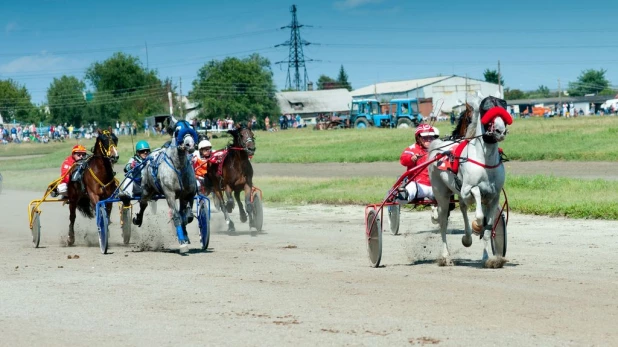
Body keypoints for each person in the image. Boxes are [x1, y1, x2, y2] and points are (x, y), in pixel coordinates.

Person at [396, 124, 441, 222]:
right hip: (418, 185)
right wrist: (411, 159)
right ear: (418, 138)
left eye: (431, 137)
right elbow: (403, 160)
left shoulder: (439, 148)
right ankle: (402, 195)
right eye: (425, 137)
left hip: (435, 185)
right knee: (407, 193)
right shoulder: (412, 149)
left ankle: (437, 208)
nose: (428, 140)